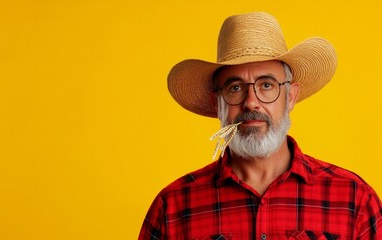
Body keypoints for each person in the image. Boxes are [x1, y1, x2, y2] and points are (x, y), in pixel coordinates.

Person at [138, 12, 382, 240]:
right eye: (235, 88)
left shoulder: (354, 200)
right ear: (217, 103)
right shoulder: (173, 208)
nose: (251, 102)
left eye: (266, 85)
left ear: (290, 97)